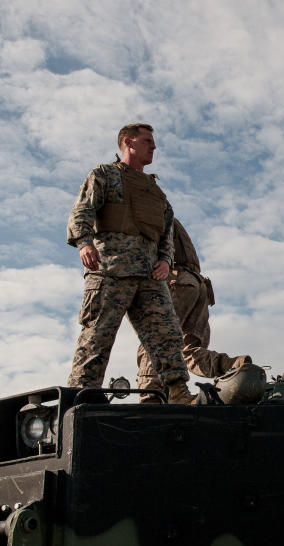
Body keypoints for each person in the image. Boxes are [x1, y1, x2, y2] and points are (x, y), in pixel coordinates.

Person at [65, 123, 193, 403]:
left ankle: (178, 392)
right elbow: (82, 210)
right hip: (110, 269)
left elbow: (167, 233)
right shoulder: (105, 175)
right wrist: (84, 242)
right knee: (96, 338)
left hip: (149, 276)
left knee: (167, 334)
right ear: (128, 142)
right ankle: (80, 399)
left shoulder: (156, 193)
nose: (154, 146)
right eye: (147, 140)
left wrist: (165, 260)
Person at [135, 218, 251, 401]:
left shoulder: (148, 210)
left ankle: (151, 398)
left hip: (176, 281)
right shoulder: (168, 215)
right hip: (197, 284)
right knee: (189, 349)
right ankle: (230, 365)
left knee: (155, 338)